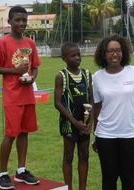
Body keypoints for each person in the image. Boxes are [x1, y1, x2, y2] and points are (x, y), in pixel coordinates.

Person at [0, 6, 40, 190]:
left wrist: (32, 77)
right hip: (12, 96)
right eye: (17, 20)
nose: (21, 23)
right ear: (9, 22)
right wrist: (14, 71)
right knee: (11, 133)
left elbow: (35, 66)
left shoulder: (30, 43)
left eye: (24, 20)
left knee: (24, 132)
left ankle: (21, 170)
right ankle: (2, 173)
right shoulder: (2, 43)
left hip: (27, 95)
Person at [92, 34, 134, 190]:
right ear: (104, 54)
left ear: (123, 53)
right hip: (105, 135)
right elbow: (96, 107)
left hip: (130, 134)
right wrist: (94, 134)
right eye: (110, 51)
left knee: (128, 178)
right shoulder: (97, 77)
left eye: (118, 50)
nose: (114, 54)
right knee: (109, 179)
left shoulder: (133, 72)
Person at [54, 42, 93, 190]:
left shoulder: (87, 74)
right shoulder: (61, 76)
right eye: (73, 55)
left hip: (84, 124)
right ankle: (68, 187)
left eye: (78, 54)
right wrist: (74, 122)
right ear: (64, 58)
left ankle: (82, 187)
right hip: (69, 124)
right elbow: (57, 103)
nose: (77, 57)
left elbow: (91, 99)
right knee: (68, 157)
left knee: (84, 156)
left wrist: (90, 122)